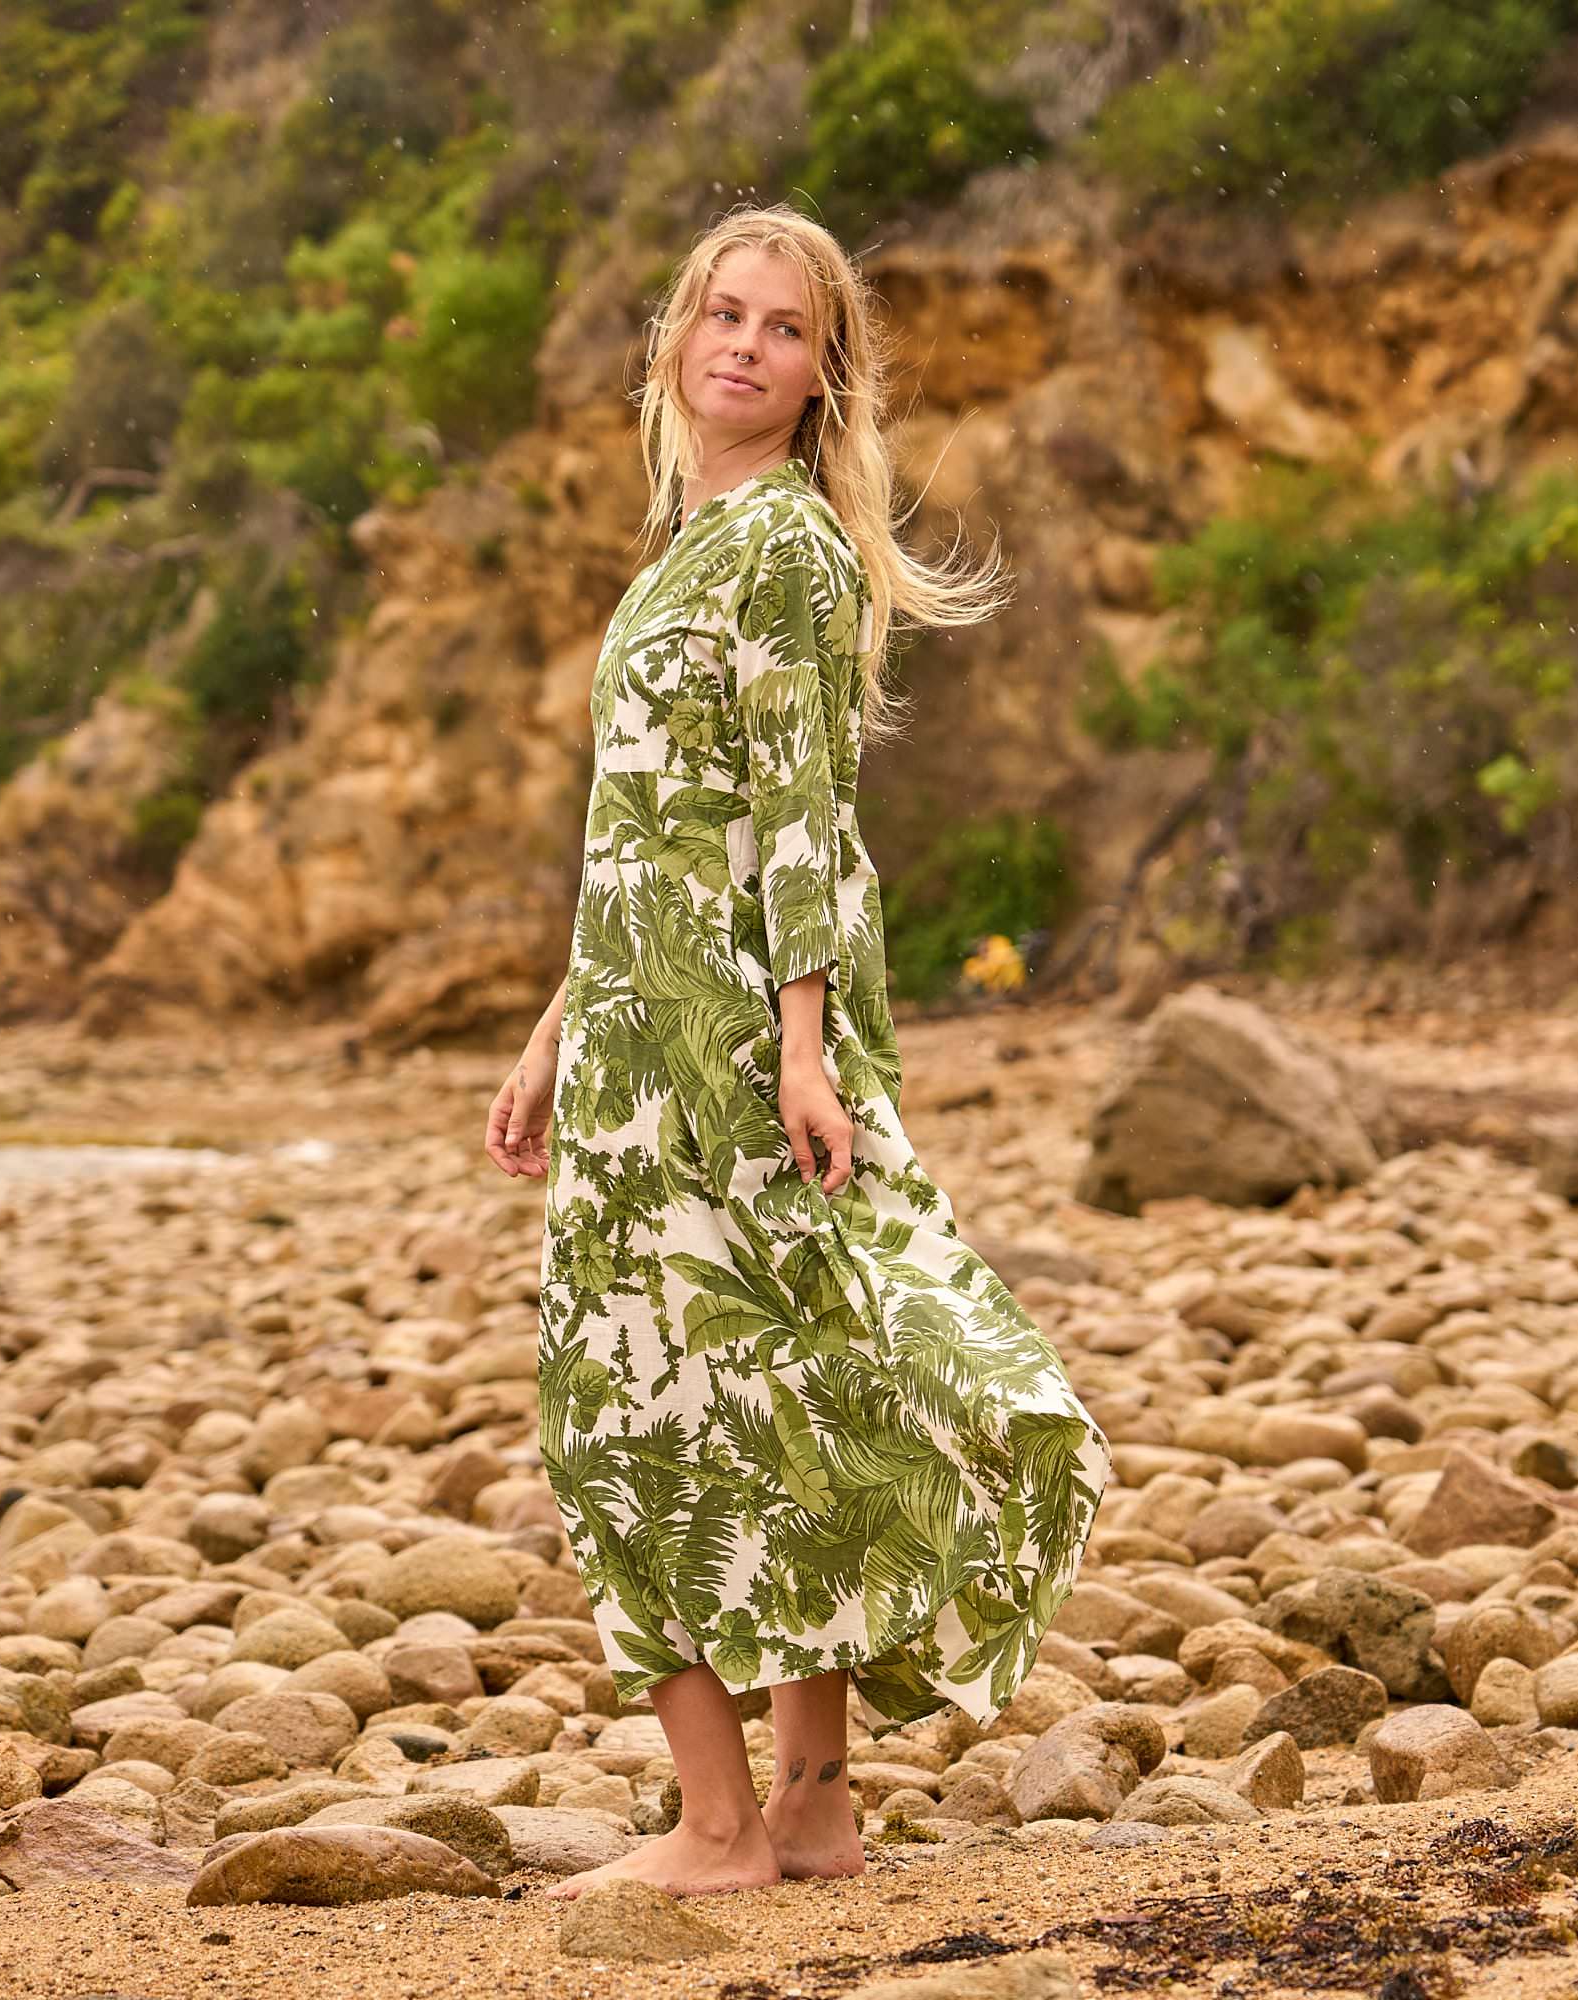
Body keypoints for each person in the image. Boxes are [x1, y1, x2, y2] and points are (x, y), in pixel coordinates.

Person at [483, 202, 1111, 1900]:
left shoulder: (786, 551)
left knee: (631, 1416)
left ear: (824, 375)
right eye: (723, 314)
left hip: (724, 1046)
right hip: (632, 1026)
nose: (745, 344)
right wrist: (556, 1027)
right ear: (675, 336)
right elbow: (645, 827)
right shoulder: (679, 547)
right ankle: (813, 1809)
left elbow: (802, 821)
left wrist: (805, 1048)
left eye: (783, 327)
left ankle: (713, 1834)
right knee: (783, 1400)